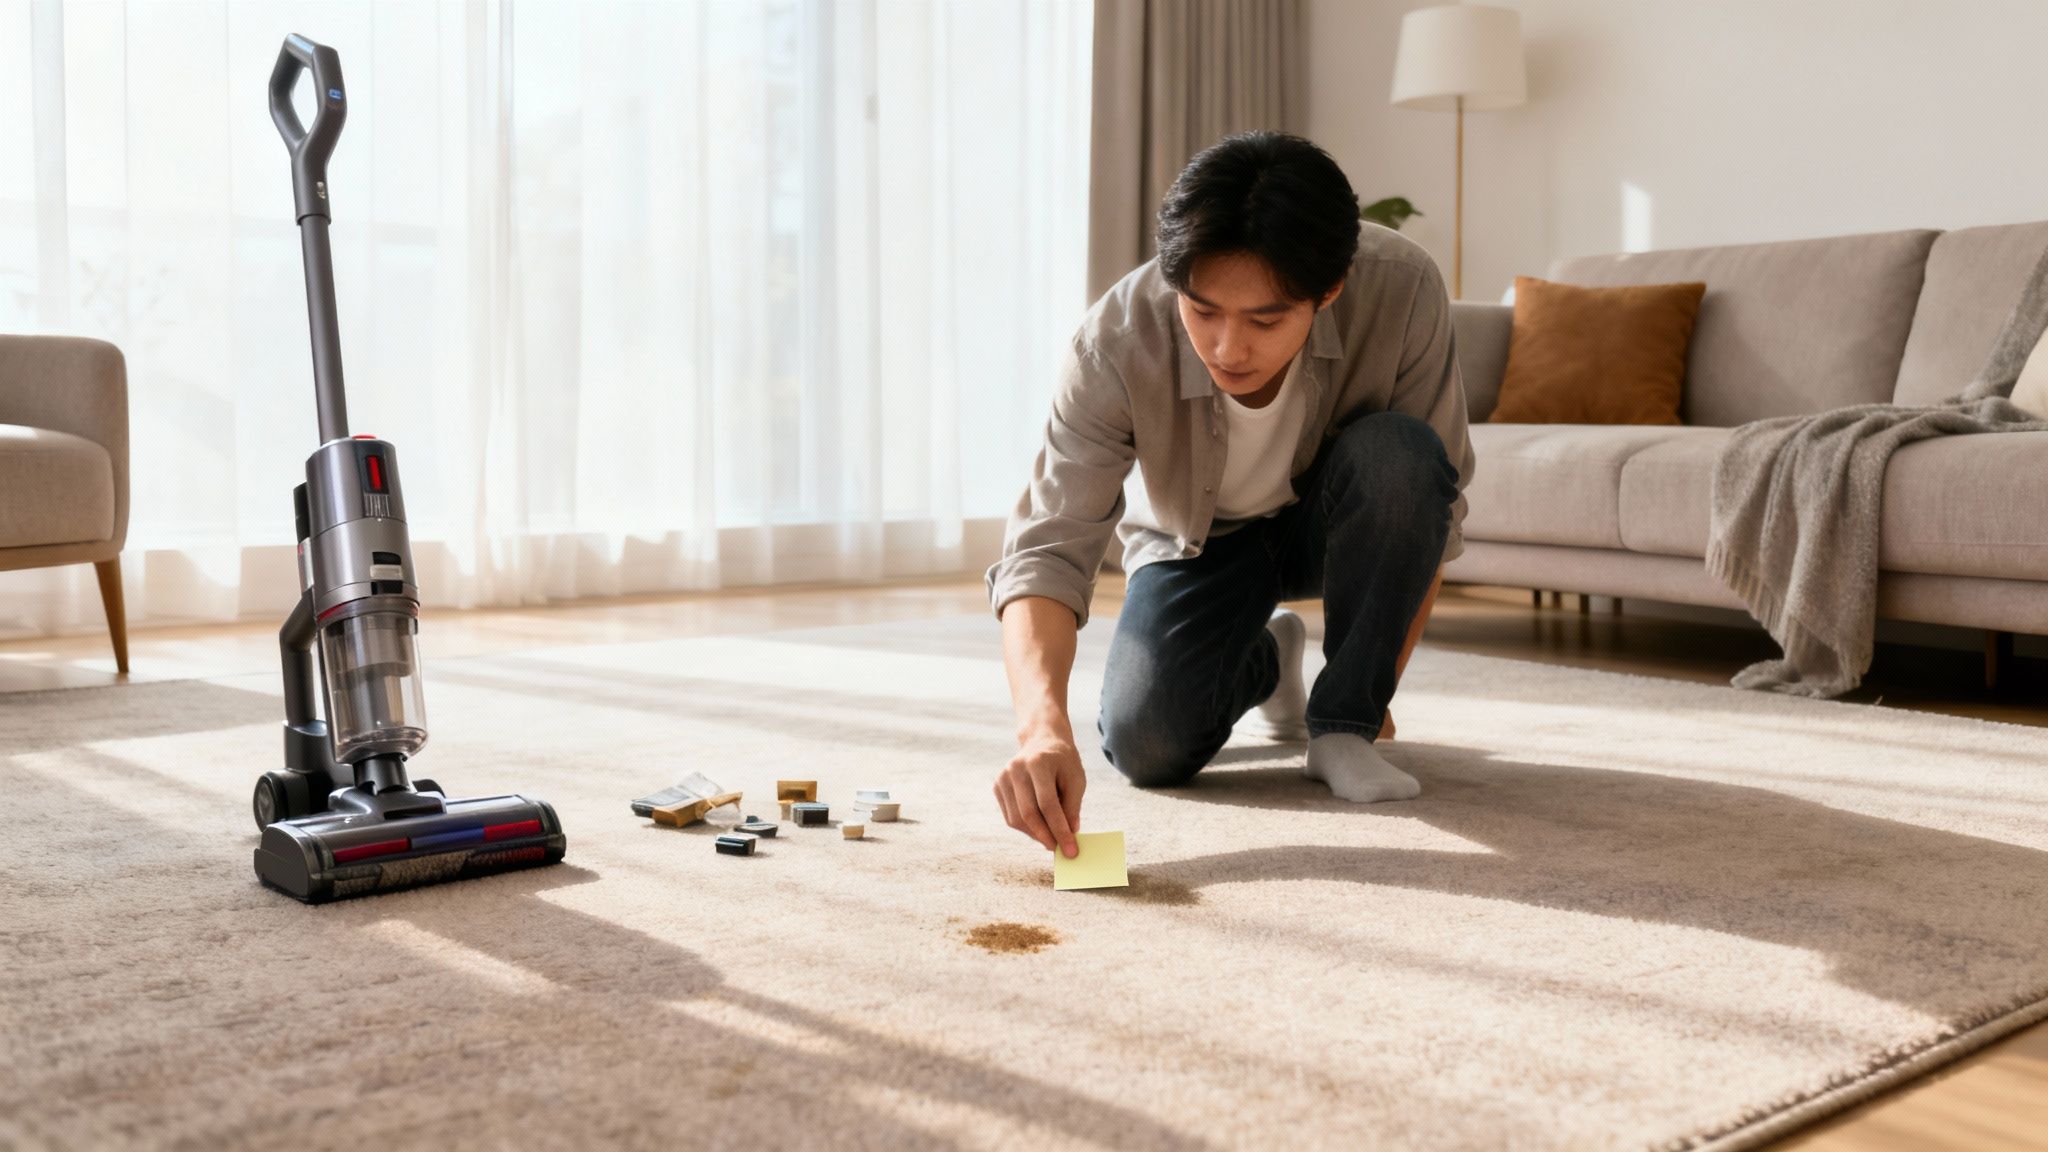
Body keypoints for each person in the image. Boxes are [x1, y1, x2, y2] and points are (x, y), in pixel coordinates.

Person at [985, 131, 1475, 858]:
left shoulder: (1401, 286)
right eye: (1202, 311)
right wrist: (1041, 729)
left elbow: (1435, 511)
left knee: (1402, 456)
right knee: (1146, 746)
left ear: (1329, 289)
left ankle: (1336, 732)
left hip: (1334, 524)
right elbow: (1047, 548)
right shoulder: (1116, 340)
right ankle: (1271, 660)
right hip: (1197, 542)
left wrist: (1366, 702)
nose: (1226, 348)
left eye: (1265, 319)